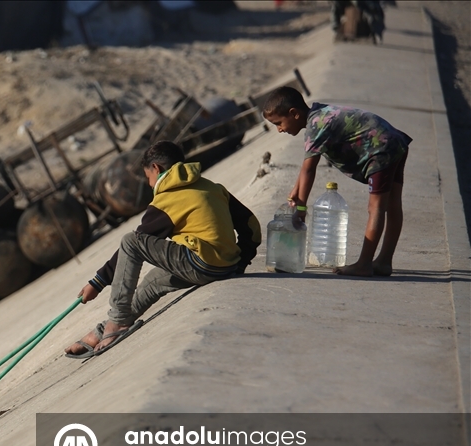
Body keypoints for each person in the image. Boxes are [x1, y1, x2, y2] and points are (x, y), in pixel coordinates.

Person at [65, 141, 261, 357]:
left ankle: (118, 322)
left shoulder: (167, 199)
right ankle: (104, 329)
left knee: (131, 240)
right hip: (224, 266)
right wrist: (241, 261)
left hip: (201, 264)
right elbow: (251, 225)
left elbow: (136, 244)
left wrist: (98, 282)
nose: (149, 184)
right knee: (153, 281)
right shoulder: (212, 187)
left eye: (147, 177)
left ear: (156, 169)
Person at [262, 86, 411, 277]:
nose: (279, 129)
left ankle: (364, 264)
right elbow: (305, 165)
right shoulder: (320, 116)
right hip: (394, 142)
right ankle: (384, 261)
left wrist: (301, 210)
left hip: (380, 149)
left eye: (279, 123)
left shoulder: (315, 127)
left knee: (376, 208)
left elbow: (310, 169)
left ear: (294, 114)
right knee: (393, 204)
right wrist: (295, 190)